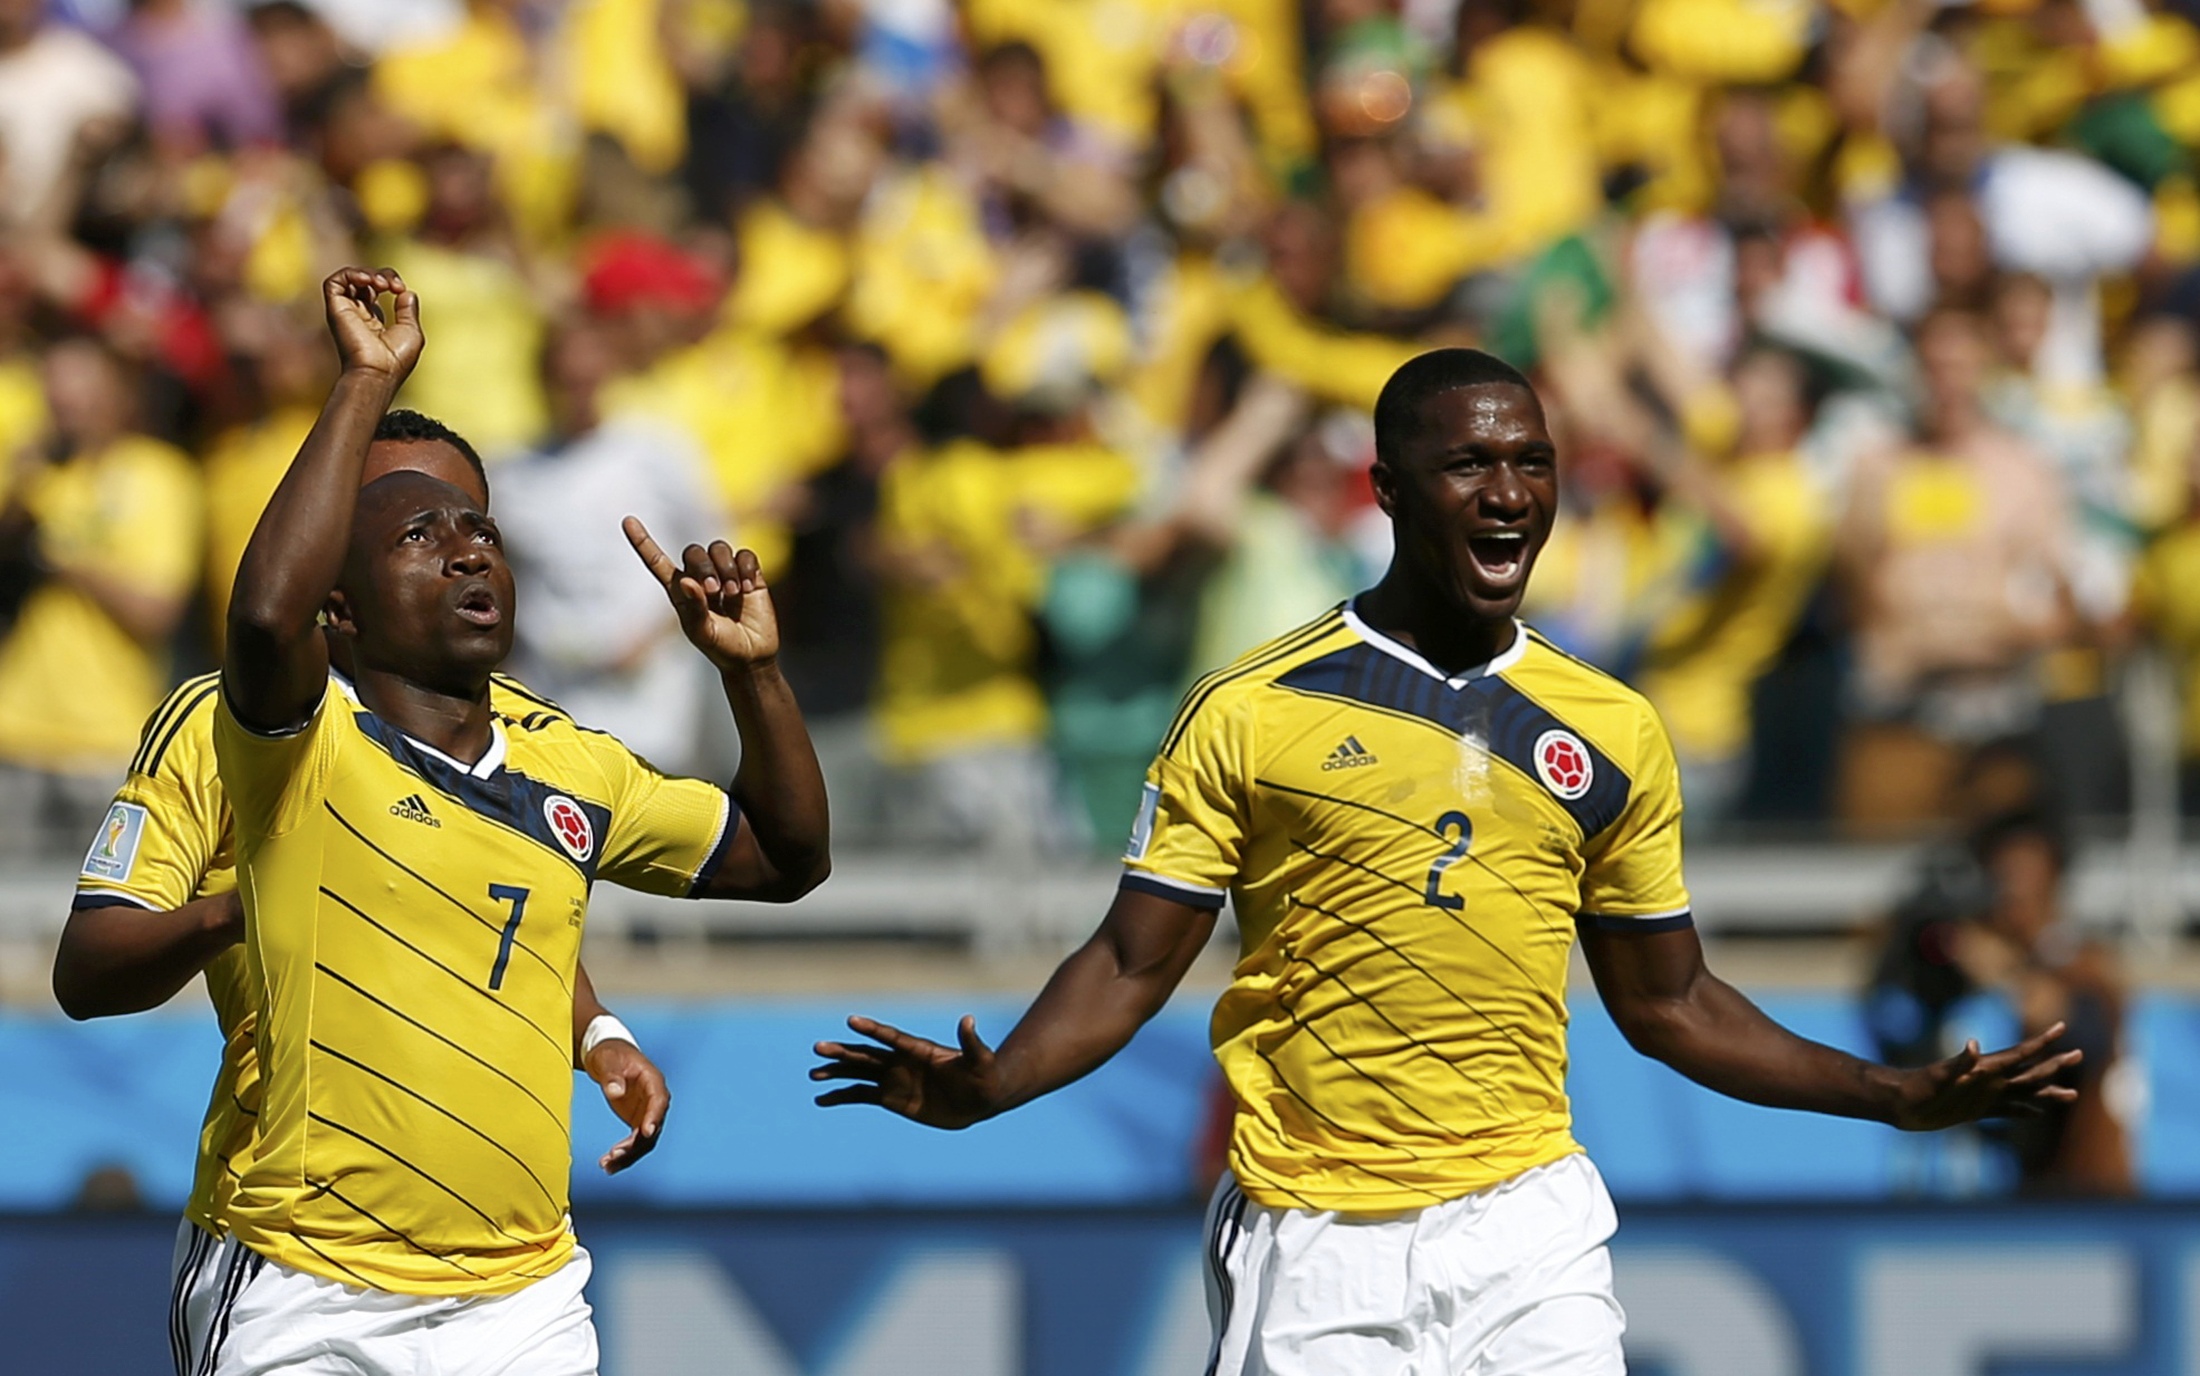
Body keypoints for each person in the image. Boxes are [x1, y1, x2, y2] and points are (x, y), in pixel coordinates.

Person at [815, 347, 2080, 1374]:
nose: (1509, 489)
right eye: (1468, 461)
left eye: (1532, 461)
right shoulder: (1253, 708)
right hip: (1315, 1233)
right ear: (1386, 488)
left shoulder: (1613, 728)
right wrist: (999, 1083)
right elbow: (1131, 960)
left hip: (1528, 1219)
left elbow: (1670, 1001)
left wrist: (1892, 1094)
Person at [200, 266, 828, 1374]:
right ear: (337, 608)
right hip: (311, 1284)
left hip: (523, 1298)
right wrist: (365, 378)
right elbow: (262, 611)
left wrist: (755, 677)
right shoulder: (297, 744)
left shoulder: (572, 764)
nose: (468, 547)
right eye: (419, 535)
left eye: (481, 529)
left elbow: (785, 857)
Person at [49, 407, 675, 1375]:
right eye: (396, 519)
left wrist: (596, 1032)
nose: (444, 544)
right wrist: (252, 902)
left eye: (462, 519)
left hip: (500, 1264)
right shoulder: (223, 720)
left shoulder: (522, 732)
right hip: (294, 1239)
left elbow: (511, 914)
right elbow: (91, 964)